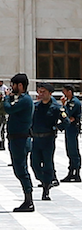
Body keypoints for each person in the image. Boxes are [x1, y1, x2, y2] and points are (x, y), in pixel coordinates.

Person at [3, 74, 35, 212]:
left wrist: (5, 98)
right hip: (16, 139)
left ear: (20, 86)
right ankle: (27, 198)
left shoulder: (25, 100)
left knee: (21, 169)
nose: (11, 88)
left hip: (20, 140)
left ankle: (29, 200)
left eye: (13, 85)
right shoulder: (22, 100)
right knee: (19, 169)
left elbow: (8, 109)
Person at [30, 82, 63, 200]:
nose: (41, 94)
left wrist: (56, 128)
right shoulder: (36, 107)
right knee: (34, 164)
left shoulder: (55, 108)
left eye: (43, 92)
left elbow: (66, 122)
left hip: (48, 139)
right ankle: (44, 181)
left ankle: (46, 189)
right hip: (36, 139)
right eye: (39, 91)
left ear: (50, 93)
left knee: (48, 164)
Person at [60, 84, 82, 182]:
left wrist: (63, 105)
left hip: (73, 128)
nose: (63, 93)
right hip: (69, 128)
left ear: (69, 91)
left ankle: (76, 173)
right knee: (69, 150)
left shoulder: (74, 102)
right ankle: (71, 171)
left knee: (73, 150)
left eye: (64, 91)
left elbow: (67, 114)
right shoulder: (70, 102)